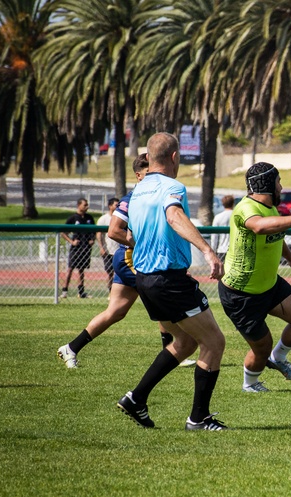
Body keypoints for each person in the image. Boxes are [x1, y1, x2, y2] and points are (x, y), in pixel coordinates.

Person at [117, 132, 227, 431]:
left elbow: (124, 231)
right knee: (214, 342)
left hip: (145, 279)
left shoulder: (137, 191)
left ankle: (135, 399)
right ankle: (199, 418)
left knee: (184, 342)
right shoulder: (172, 187)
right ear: (175, 157)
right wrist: (207, 250)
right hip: (169, 280)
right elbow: (174, 216)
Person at [57, 154, 196, 370]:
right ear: (138, 175)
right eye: (149, 173)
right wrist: (143, 245)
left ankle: (71, 348)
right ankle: (175, 349)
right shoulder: (134, 198)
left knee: (116, 312)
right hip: (132, 258)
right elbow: (113, 231)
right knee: (162, 296)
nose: (155, 176)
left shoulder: (154, 194)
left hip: (127, 258)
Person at [218, 162, 291, 392]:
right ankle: (250, 384)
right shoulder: (245, 208)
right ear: (266, 184)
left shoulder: (271, 208)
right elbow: (260, 227)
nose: (281, 188)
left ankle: (279, 357)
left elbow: (274, 231)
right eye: (278, 182)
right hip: (240, 294)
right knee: (262, 347)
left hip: (269, 285)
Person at [61, 198, 96, 298]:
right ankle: (64, 291)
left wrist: (92, 239)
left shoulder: (89, 218)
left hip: (86, 248)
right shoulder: (73, 218)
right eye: (85, 205)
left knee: (81, 270)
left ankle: (81, 292)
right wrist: (71, 241)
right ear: (79, 205)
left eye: (87, 205)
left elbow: (94, 231)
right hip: (76, 249)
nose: (87, 207)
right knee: (70, 269)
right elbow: (63, 232)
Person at [97, 198, 121, 291]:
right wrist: (102, 248)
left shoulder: (120, 218)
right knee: (110, 271)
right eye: (116, 205)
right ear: (110, 206)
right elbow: (99, 234)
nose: (117, 206)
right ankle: (109, 289)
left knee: (118, 272)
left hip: (118, 250)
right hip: (108, 250)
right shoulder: (103, 219)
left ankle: (114, 290)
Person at [211, 194, 235, 263]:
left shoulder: (218, 217)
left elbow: (214, 236)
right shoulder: (236, 215)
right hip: (234, 249)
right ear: (233, 203)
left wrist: (213, 250)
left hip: (221, 249)